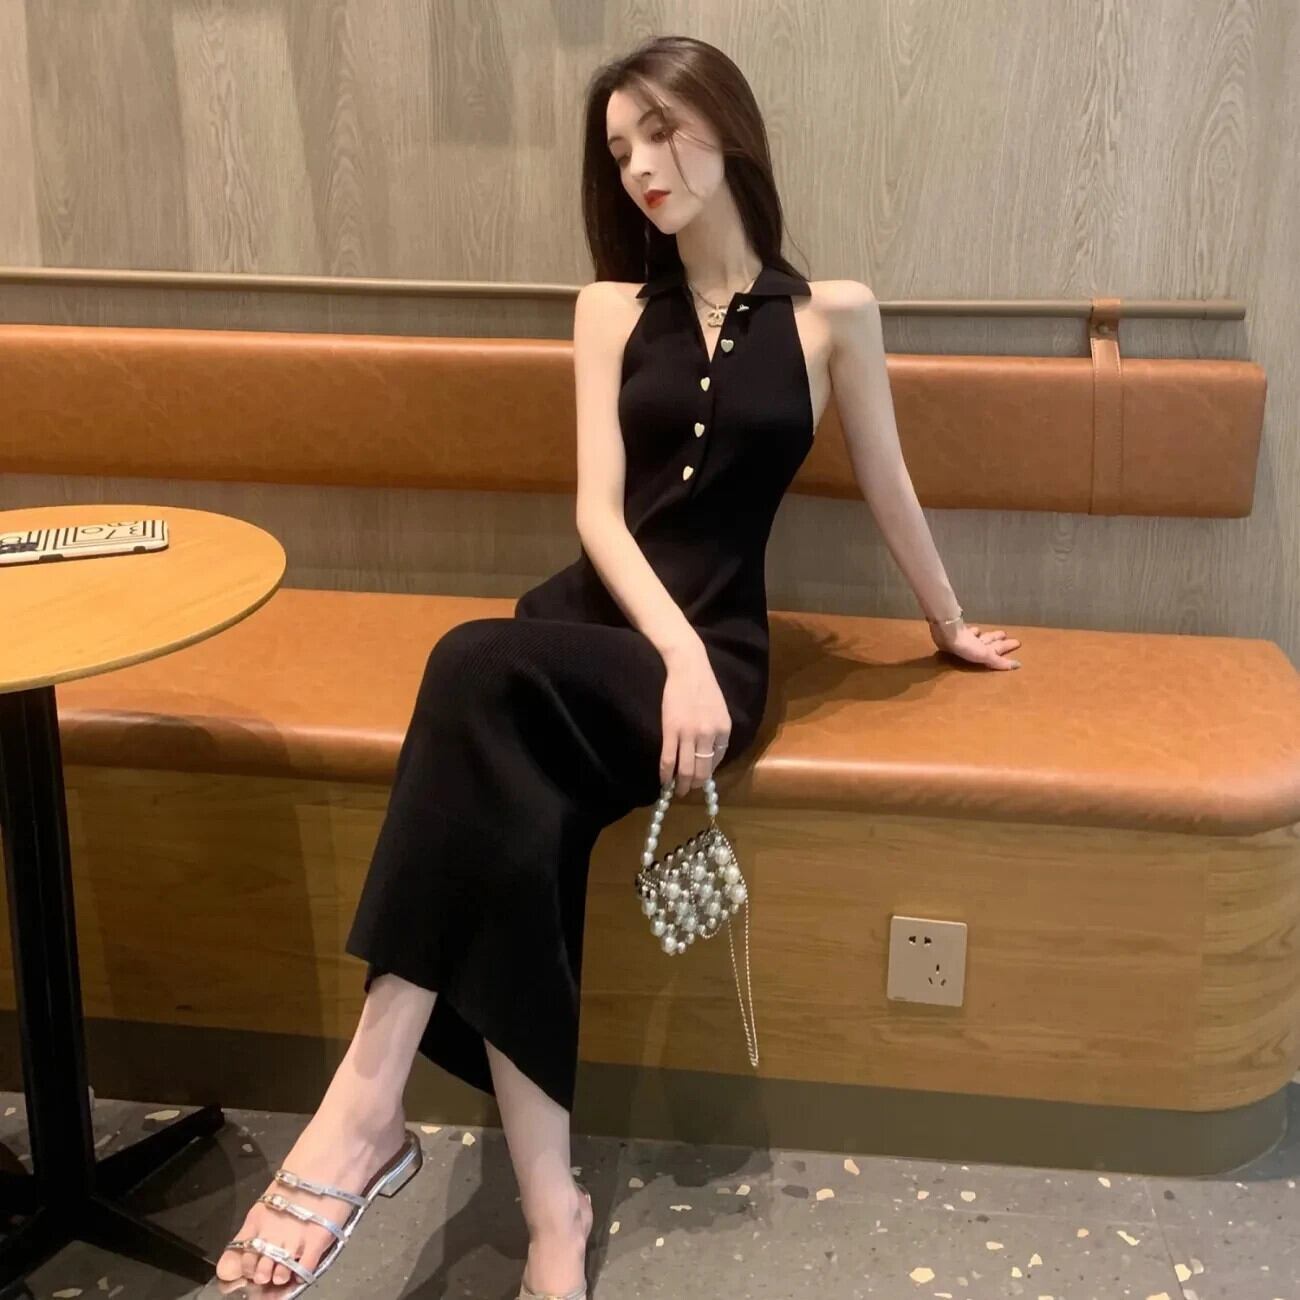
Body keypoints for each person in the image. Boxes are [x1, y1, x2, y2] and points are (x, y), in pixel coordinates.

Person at [214, 32, 1022, 1300]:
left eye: (660, 129)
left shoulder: (834, 315)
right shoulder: (607, 309)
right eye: (618, 147)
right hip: (594, 633)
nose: (641, 165)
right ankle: (550, 1212)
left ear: (726, 125)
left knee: (472, 678)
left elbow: (889, 483)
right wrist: (670, 651)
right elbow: (596, 512)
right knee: (514, 800)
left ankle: (370, 1109)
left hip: (719, 659)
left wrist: (948, 622)